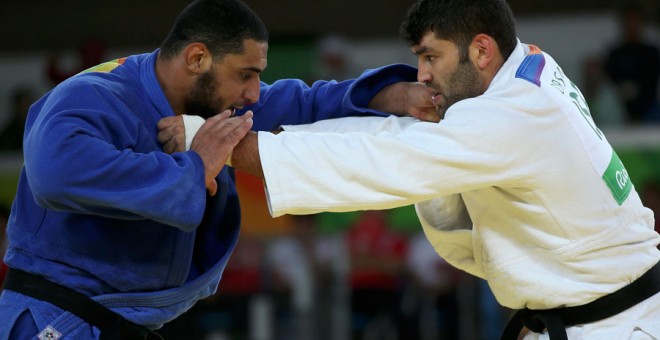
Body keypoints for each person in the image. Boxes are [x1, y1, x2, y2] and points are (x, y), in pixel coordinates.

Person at [161, 0, 660, 338]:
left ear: (482, 50)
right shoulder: (528, 67)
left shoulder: (513, 114)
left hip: (613, 326)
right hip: (583, 316)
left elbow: (385, 159)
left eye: (431, 57)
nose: (422, 74)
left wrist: (221, 146)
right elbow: (406, 146)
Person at [0, 0, 436, 339]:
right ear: (196, 59)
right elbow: (54, 174)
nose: (252, 93)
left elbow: (302, 101)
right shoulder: (91, 96)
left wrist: (391, 95)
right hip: (55, 317)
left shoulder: (212, 100)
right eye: (245, 75)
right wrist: (195, 167)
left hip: (129, 318)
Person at [604, 2, 660, 124]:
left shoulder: (651, 52)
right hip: (618, 108)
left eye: (635, 21)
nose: (631, 26)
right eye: (628, 21)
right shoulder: (615, 53)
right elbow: (609, 80)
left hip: (649, 109)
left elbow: (652, 81)